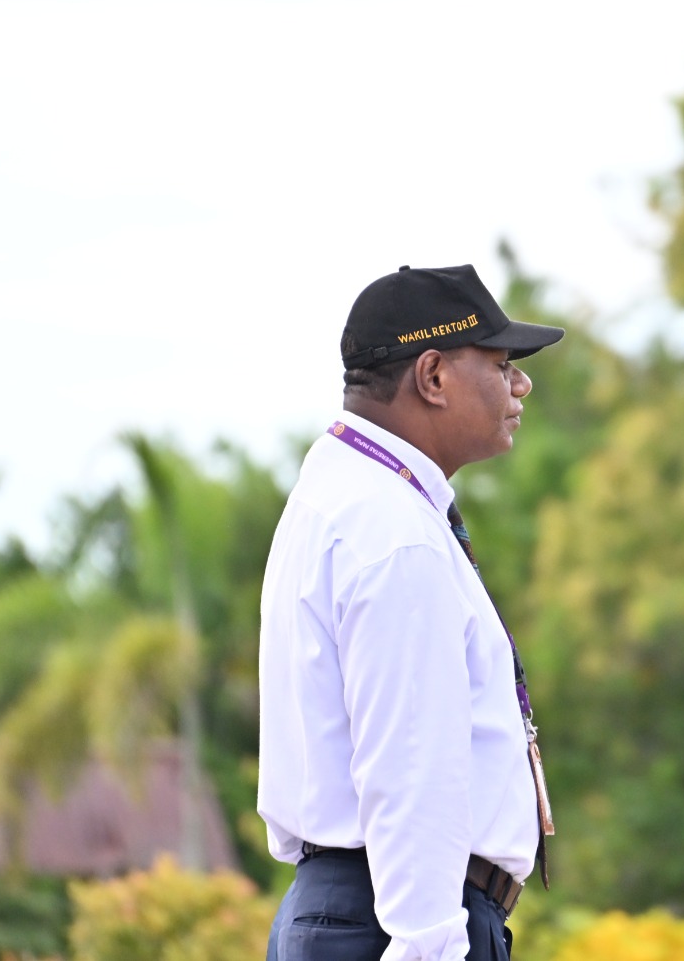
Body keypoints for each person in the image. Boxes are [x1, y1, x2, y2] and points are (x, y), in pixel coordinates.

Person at [259, 264, 563, 961]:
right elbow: (411, 768)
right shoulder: (393, 531)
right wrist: (431, 943)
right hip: (396, 922)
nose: (521, 385)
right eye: (501, 364)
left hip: (350, 910)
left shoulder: (347, 498)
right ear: (432, 376)